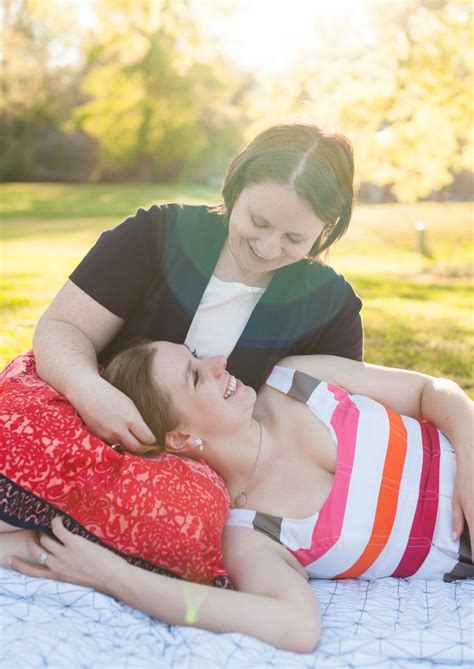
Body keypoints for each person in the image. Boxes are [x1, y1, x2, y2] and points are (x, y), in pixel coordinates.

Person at [5, 341, 473, 652]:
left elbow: (429, 389)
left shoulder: (298, 380)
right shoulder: (250, 530)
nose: (218, 364)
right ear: (180, 439)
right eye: (194, 376)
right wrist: (111, 577)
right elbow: (297, 627)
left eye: (197, 356)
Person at [32, 124, 362, 454]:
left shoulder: (332, 307)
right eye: (258, 222)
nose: (267, 247)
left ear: (326, 229)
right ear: (236, 187)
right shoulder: (157, 234)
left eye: (294, 239)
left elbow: (334, 423)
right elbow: (63, 327)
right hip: (86, 451)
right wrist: (88, 390)